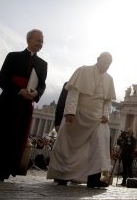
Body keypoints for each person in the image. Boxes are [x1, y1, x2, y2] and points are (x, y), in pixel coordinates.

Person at [0, 29, 48, 181]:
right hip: (8, 103)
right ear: (28, 40)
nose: (40, 43)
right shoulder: (13, 56)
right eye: (38, 40)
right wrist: (19, 91)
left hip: (25, 108)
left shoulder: (43, 64)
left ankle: (5, 171)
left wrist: (36, 94)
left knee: (16, 139)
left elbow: (42, 85)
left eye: (42, 41)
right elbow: (1, 78)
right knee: (0, 135)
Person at [47, 52, 116, 188]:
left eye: (109, 63)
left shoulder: (109, 79)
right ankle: (62, 176)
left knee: (98, 147)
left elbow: (107, 101)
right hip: (78, 115)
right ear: (98, 59)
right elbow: (74, 93)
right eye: (105, 62)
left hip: (97, 119)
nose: (106, 66)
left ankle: (93, 179)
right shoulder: (83, 70)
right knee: (69, 146)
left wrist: (105, 114)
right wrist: (70, 112)